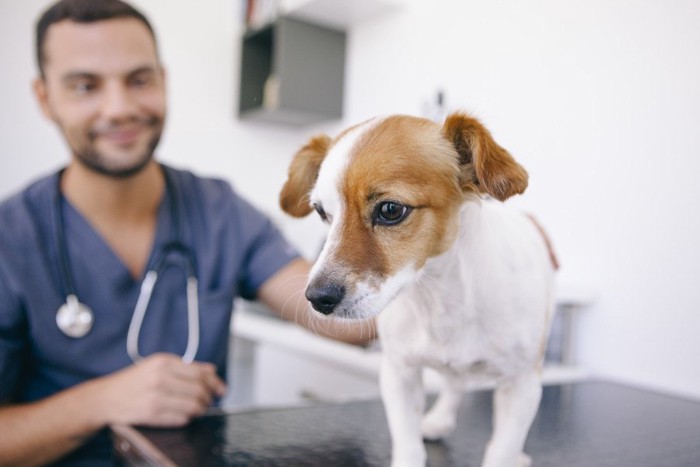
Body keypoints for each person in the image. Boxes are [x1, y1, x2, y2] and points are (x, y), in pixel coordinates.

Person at [0, 1, 373, 465]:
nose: (119, 108)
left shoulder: (220, 212)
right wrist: (101, 402)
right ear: (44, 98)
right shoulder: (11, 239)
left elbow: (342, 316)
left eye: (139, 79)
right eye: (85, 86)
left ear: (163, 80)